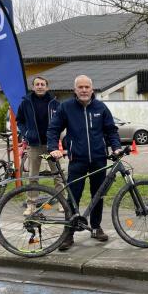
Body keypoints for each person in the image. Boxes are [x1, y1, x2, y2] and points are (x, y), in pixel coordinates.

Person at [47, 75, 122, 251]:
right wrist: (52, 148)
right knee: (73, 196)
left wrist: (116, 147)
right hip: (77, 160)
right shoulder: (66, 107)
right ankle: (69, 233)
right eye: (80, 87)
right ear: (75, 90)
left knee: (98, 195)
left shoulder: (101, 107)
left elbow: (111, 130)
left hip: (98, 159)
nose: (83, 90)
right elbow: (53, 129)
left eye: (87, 87)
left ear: (92, 89)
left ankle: (95, 227)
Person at [16, 76, 64, 215]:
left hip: (52, 145)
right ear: (33, 87)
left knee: (57, 175)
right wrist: (26, 133)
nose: (40, 86)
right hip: (34, 145)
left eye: (43, 84)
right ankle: (31, 205)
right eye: (37, 84)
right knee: (33, 176)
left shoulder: (55, 103)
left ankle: (62, 202)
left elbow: (62, 121)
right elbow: (20, 120)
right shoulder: (26, 103)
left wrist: (57, 136)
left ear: (47, 87)